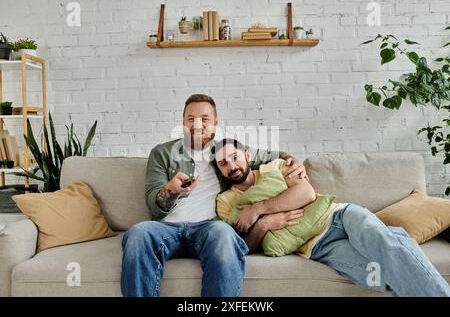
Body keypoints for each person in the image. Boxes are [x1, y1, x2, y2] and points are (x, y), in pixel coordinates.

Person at [120, 94, 307, 297]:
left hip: (208, 227)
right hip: (165, 228)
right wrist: (171, 190)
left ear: (216, 123)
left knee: (224, 233)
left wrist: (292, 160)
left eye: (205, 119)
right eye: (191, 119)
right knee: (138, 233)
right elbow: (153, 203)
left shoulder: (225, 152)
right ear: (183, 123)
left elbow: (270, 155)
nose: (198, 124)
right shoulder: (162, 153)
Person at [213, 138, 450, 297]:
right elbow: (242, 247)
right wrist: (263, 225)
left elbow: (305, 192)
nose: (231, 165)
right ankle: (398, 239)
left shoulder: (275, 167)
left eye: (234, 157)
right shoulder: (225, 202)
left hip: (340, 216)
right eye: (223, 163)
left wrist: (258, 210)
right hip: (319, 248)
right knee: (377, 274)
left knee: (386, 245)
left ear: (246, 155)